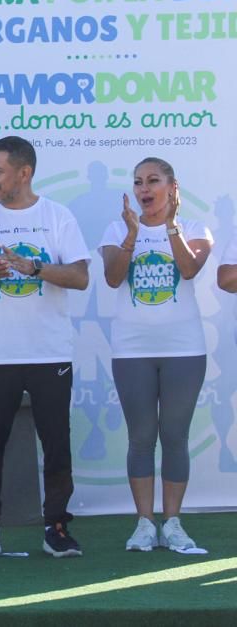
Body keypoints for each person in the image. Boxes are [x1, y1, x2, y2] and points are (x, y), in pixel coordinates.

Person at [0, 136, 90, 560]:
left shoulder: (57, 216)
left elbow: (81, 277)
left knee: (56, 444)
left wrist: (35, 267)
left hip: (50, 353)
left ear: (24, 172)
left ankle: (57, 527)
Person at [99, 158, 212, 552]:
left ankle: (173, 523)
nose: (144, 189)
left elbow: (189, 269)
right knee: (141, 438)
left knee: (175, 436)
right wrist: (132, 235)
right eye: (137, 182)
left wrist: (171, 226)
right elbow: (113, 277)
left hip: (184, 349)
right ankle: (144, 523)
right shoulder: (116, 229)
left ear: (171, 187)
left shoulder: (195, 229)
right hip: (132, 351)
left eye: (152, 181)